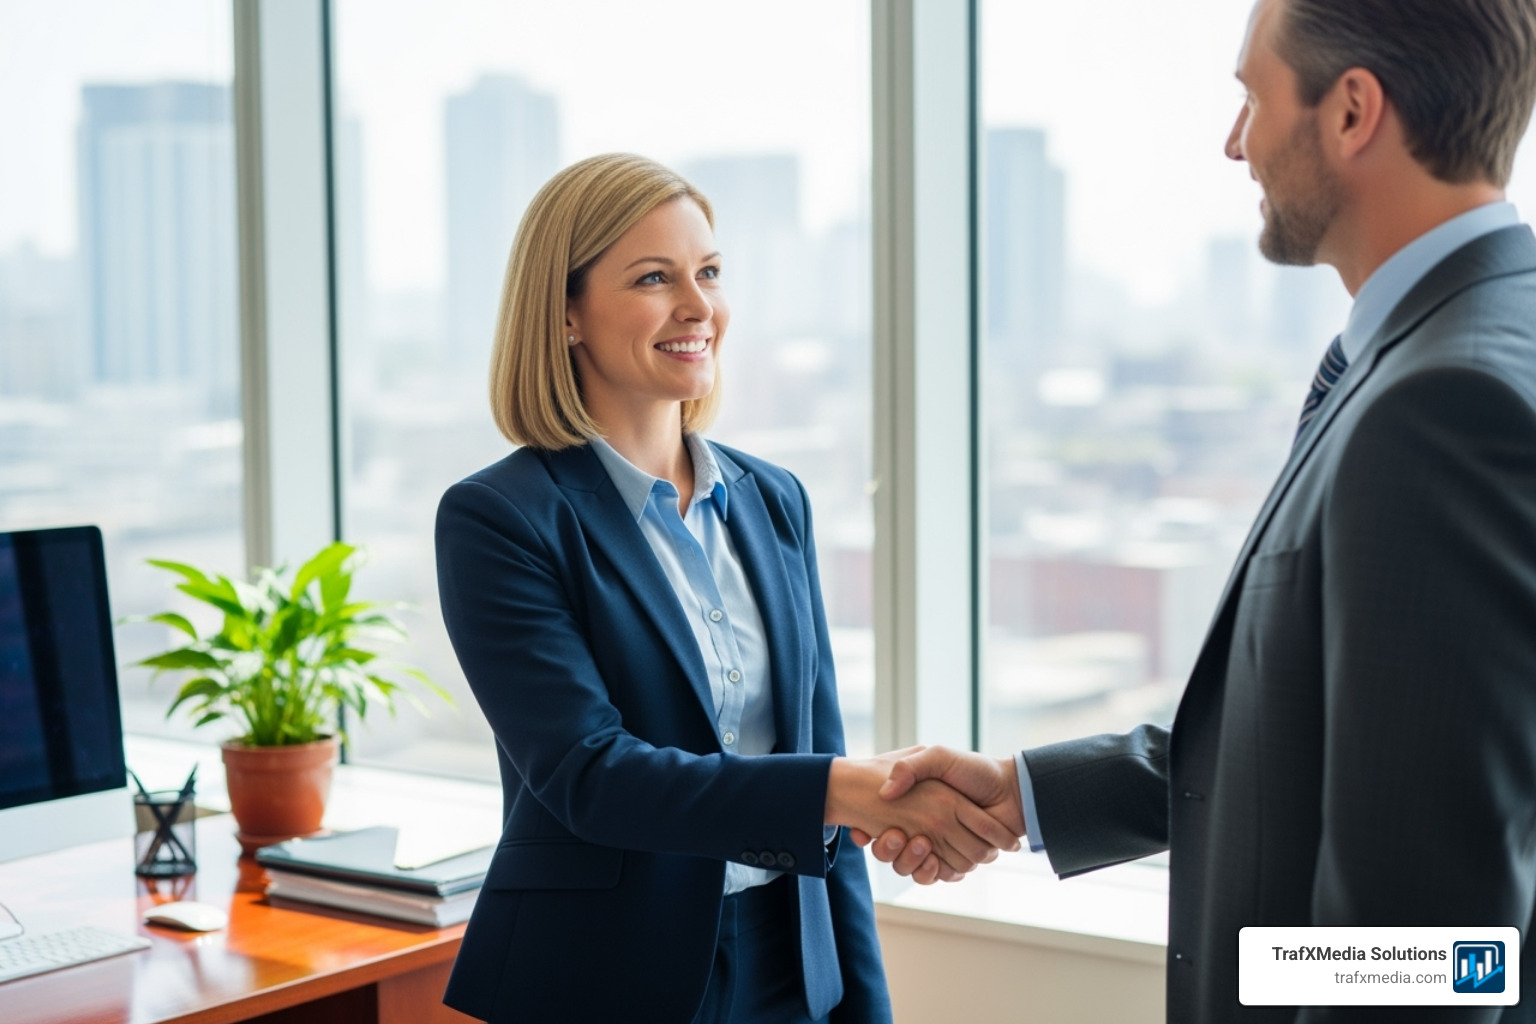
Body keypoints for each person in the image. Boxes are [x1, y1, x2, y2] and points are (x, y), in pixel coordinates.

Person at [860, 0, 1536, 1020]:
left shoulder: (1440, 408)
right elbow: (1349, 739)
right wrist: (1027, 795)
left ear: (1353, 111)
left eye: (1251, 98)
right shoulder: (1466, 340)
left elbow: (1425, 948)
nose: (1236, 144)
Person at [434, 153, 1018, 1024]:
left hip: (792, 964)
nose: (699, 306)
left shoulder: (774, 500)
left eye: (708, 272)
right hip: (601, 979)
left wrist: (864, 1005)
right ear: (565, 314)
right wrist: (841, 788)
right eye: (654, 278)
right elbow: (591, 775)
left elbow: (823, 758)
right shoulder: (500, 518)